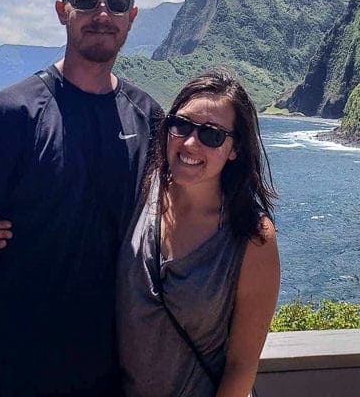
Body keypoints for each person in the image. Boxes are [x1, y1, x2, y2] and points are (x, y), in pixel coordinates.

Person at [0, 0, 161, 397]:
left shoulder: (148, 116)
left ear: (132, 17)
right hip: (10, 370)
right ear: (63, 11)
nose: (102, 14)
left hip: (111, 375)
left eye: (117, 4)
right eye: (86, 1)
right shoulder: (13, 113)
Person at [117, 69, 280, 397]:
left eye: (212, 135)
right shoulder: (140, 189)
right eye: (182, 125)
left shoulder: (252, 237)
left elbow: (242, 366)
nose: (191, 143)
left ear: (234, 149)